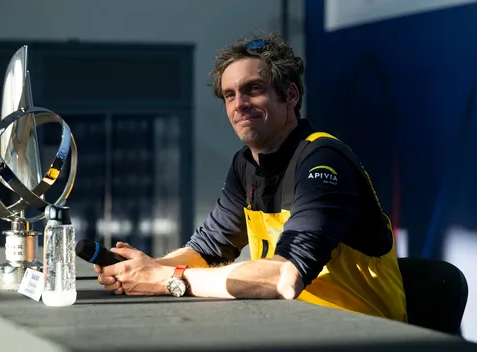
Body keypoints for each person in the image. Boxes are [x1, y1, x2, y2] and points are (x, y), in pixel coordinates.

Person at [95, 33, 407, 322]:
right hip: (293, 328)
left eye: (253, 89)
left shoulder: (323, 160)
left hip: (362, 334)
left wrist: (167, 279)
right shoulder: (246, 165)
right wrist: (143, 269)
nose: (240, 104)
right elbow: (207, 250)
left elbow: (285, 276)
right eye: (229, 95)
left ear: (291, 95)